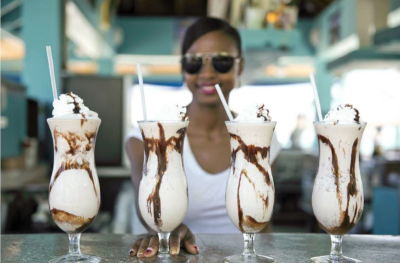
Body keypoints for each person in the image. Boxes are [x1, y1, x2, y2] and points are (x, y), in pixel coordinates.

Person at [126, 17, 278, 258]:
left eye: (222, 61)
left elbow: (263, 219)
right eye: (194, 63)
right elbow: (147, 212)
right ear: (183, 68)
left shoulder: (260, 136)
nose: (207, 73)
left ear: (239, 67)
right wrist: (168, 232)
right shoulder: (147, 137)